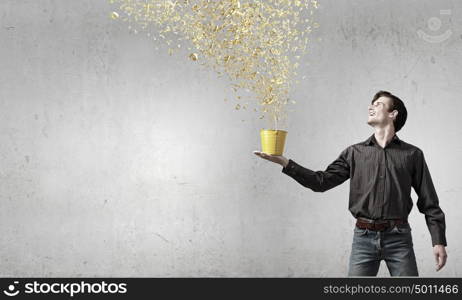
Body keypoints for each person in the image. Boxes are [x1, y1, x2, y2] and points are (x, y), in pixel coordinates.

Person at [253, 90, 447, 276]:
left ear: (393, 114)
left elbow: (429, 201)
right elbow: (321, 182)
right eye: (371, 104)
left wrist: (438, 241)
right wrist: (285, 162)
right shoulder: (354, 153)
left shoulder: (413, 155)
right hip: (363, 238)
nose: (371, 107)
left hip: (399, 238)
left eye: (378, 104)